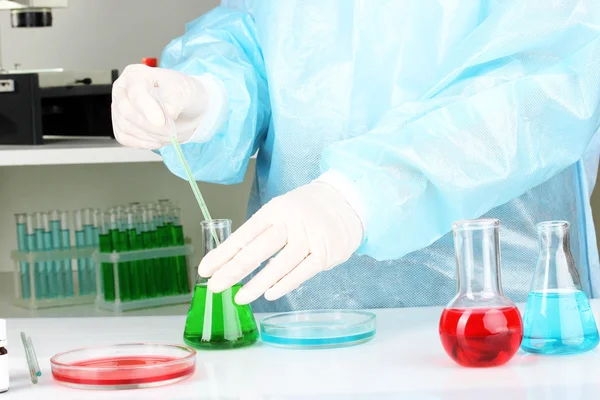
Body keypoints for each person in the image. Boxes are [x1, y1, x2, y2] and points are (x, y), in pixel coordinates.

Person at [112, 0, 600, 312]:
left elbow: (551, 72)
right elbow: (262, 37)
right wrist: (208, 97)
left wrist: (367, 191)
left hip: (495, 310)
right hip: (301, 313)